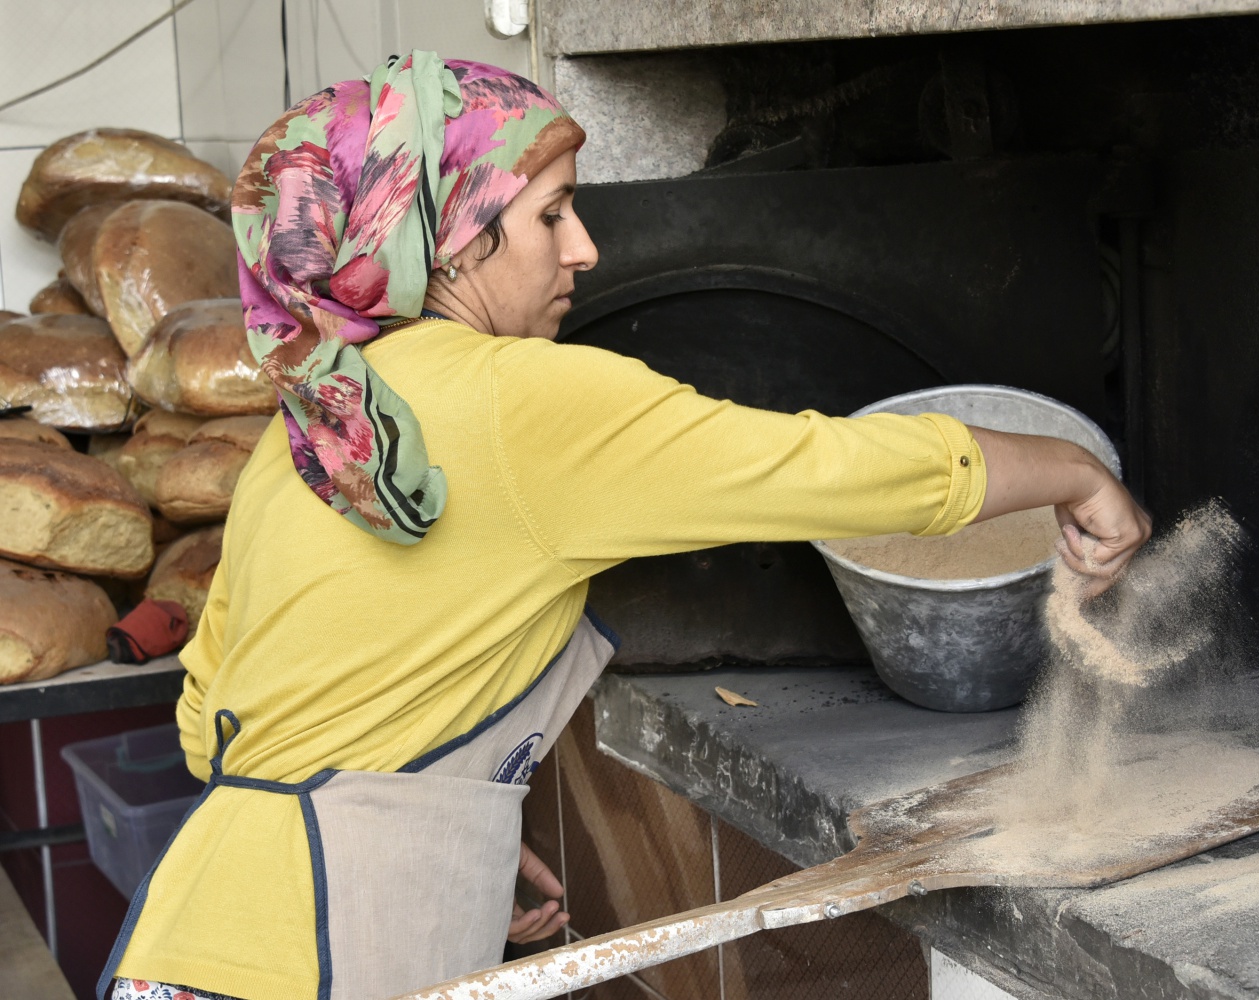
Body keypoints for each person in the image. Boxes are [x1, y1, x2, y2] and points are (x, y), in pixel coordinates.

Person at [102, 53, 1150, 1000]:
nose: (587, 248)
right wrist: (1069, 469)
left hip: (178, 945)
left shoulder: (319, 422)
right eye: (555, 214)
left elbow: (217, 716)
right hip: (312, 964)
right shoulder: (523, 401)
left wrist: (433, 812)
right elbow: (818, 468)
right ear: (459, 237)